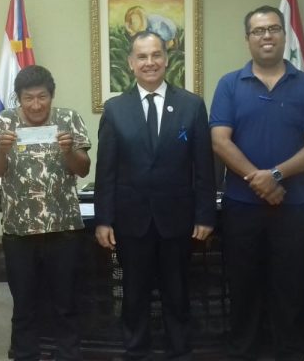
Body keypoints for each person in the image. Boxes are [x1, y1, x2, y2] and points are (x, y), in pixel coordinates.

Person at [209, 5, 304, 361]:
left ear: (283, 35)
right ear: (247, 38)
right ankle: (244, 353)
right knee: (243, 286)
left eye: (273, 29)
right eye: (258, 30)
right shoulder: (230, 84)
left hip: (292, 205)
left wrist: (275, 175)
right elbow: (219, 141)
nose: (266, 36)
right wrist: (258, 180)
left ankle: (289, 353)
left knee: (290, 288)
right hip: (241, 207)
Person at [94, 30, 216, 360]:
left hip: (177, 219)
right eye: (142, 57)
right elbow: (106, 170)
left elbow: (203, 166)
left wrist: (205, 215)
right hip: (131, 220)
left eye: (156, 55)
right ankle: (136, 350)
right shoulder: (115, 109)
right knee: (134, 294)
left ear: (166, 59)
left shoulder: (191, 105)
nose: (150, 62)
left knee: (178, 291)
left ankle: (180, 350)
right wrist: (103, 219)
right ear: (131, 63)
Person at [0, 65, 91, 361]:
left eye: (42, 97)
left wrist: (69, 151)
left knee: (66, 304)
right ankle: (25, 355)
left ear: (51, 96)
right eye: (28, 98)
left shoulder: (68, 119)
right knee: (24, 306)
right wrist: (2, 151)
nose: (35, 105)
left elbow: (83, 169)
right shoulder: (4, 121)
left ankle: (68, 356)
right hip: (19, 233)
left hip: (64, 230)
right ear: (19, 99)